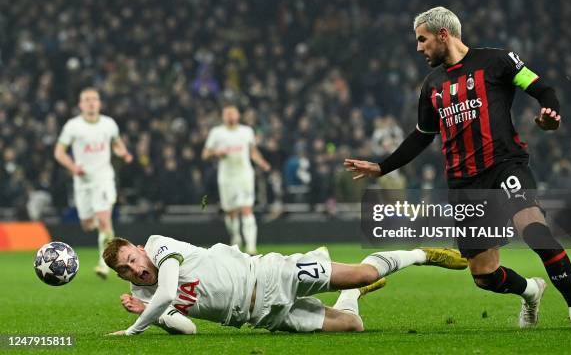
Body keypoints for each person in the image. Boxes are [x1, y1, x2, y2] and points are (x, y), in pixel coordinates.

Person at [344, 7, 571, 331]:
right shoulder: (432, 85)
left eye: (422, 40)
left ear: (443, 35)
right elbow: (422, 136)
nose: (418, 48)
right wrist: (383, 166)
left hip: (505, 165)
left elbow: (541, 89)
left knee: (535, 231)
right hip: (465, 184)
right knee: (484, 275)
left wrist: (551, 115)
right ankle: (532, 291)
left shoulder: (497, 62)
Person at [102, 235, 467, 335]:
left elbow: (168, 290)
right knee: (352, 325)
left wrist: (136, 328)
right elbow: (190, 327)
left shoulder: (159, 245)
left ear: (138, 248)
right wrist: (159, 317)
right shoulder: (144, 296)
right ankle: (351, 296)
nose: (135, 269)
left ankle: (422, 253)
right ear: (122, 277)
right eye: (126, 271)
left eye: (132, 259)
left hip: (271, 275)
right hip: (265, 317)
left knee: (365, 272)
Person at [54, 87, 133, 279]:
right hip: (83, 182)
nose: (91, 102)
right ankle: (103, 232)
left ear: (99, 103)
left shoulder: (109, 124)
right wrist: (73, 168)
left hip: (103, 178)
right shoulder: (73, 126)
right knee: (88, 224)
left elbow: (117, 143)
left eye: (94, 99)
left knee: (104, 219)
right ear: (80, 104)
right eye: (87, 99)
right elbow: (59, 152)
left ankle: (105, 263)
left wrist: (123, 152)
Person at [202, 104, 271, 255]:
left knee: (246, 209)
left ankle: (251, 247)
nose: (231, 116)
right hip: (226, 177)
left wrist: (262, 163)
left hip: (244, 174)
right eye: (227, 113)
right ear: (223, 116)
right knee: (231, 212)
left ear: (238, 115)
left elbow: (252, 152)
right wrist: (216, 152)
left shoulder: (246, 131)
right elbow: (205, 154)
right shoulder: (217, 133)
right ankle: (236, 237)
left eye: (233, 113)